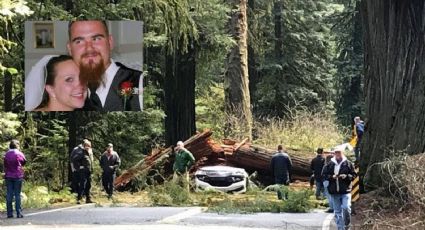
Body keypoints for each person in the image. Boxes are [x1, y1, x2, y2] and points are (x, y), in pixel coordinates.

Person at [67, 20, 143, 111]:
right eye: (79, 41)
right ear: (70, 49)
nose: (89, 48)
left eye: (96, 39)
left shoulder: (141, 83)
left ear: (110, 42)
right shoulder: (66, 95)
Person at [322, 149, 357, 230]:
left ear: (342, 154)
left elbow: (354, 175)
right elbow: (324, 175)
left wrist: (347, 176)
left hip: (345, 191)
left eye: (339, 153)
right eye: (336, 153)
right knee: (337, 212)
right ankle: (340, 228)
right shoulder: (330, 164)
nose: (337, 155)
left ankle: (347, 224)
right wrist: (331, 177)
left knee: (346, 207)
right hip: (334, 191)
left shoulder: (348, 163)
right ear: (334, 154)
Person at [3, 140, 26, 218]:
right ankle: (18, 213)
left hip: (8, 176)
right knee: (17, 194)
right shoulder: (19, 153)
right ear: (17, 146)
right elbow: (24, 162)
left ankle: (9, 214)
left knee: (9, 194)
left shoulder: (6, 154)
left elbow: (5, 165)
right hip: (17, 176)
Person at [73, 139, 94, 204]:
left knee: (89, 185)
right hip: (83, 171)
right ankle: (79, 198)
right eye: (87, 145)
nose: (88, 147)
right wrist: (79, 167)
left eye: (89, 146)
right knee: (83, 185)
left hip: (89, 171)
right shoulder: (81, 152)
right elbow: (74, 160)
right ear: (84, 146)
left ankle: (88, 198)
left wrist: (92, 169)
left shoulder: (90, 152)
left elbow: (91, 162)